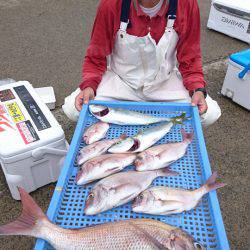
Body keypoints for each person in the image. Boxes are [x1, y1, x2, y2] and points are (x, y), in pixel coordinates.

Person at [62, 0, 221, 126]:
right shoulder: (110, 4)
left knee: (209, 113)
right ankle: (157, 119)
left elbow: (190, 58)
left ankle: (145, 121)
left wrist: (197, 89)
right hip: (121, 82)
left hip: (163, 83)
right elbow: (96, 56)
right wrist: (89, 85)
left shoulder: (186, 4)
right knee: (73, 108)